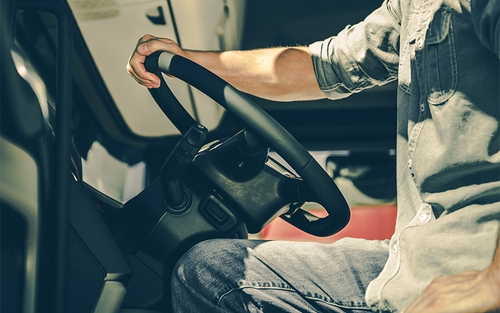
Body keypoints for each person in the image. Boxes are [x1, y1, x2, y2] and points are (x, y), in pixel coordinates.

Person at [127, 0, 500, 311]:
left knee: (209, 274)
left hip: (474, 256)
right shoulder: (414, 7)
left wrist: (493, 283)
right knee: (212, 267)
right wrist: (189, 61)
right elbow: (322, 65)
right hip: (413, 256)